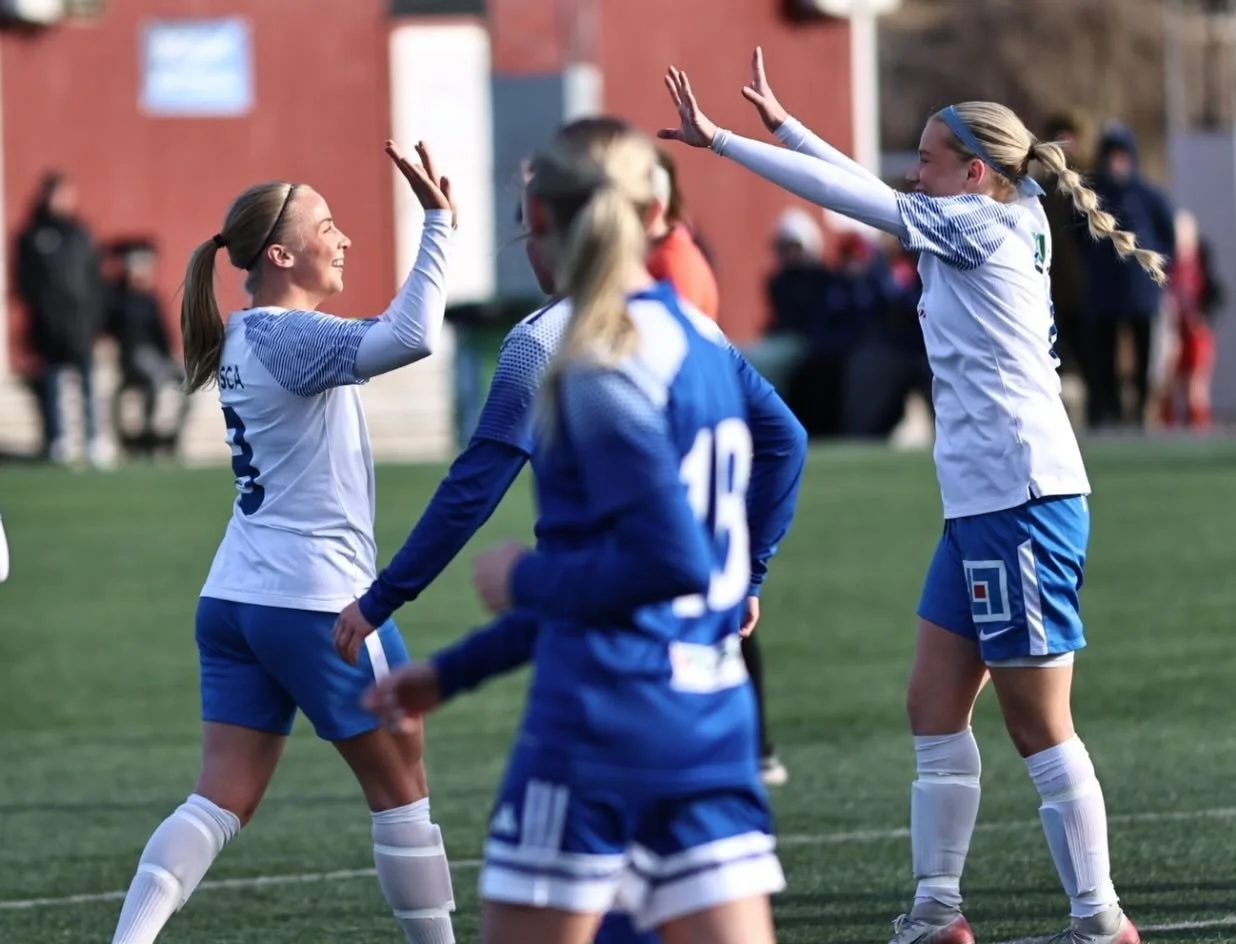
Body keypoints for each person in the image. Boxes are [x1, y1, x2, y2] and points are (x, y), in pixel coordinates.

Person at [659, 46, 1166, 944]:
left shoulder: (980, 226)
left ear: (973, 174)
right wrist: (787, 127)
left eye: (928, 159)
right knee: (933, 706)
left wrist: (725, 143)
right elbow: (866, 190)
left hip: (1020, 501)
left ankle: (1102, 921)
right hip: (980, 504)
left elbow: (858, 201)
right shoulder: (1002, 205)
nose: (911, 172)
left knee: (1038, 725)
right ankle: (937, 911)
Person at [332, 116, 806, 944]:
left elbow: (662, 561)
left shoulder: (579, 353)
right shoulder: (701, 337)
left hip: (601, 717)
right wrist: (453, 672)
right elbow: (779, 448)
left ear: (542, 223)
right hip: (712, 719)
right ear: (655, 213)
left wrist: (522, 578)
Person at [108, 141, 460, 944]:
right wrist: (438, 224)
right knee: (403, 792)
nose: (343, 239)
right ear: (280, 254)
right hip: (317, 602)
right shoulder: (288, 336)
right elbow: (412, 336)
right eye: (326, 226)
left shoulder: (245, 335)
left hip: (234, 598)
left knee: (219, 798)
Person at [15, 170, 108, 466]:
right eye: (58, 194)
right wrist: (43, 314)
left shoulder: (80, 233)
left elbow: (94, 279)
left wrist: (95, 320)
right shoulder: (32, 235)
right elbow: (25, 282)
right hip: (49, 327)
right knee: (53, 384)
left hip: (81, 325)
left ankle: (94, 440)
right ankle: (58, 440)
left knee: (88, 384)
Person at [1159, 209, 1223, 429]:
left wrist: (1202, 315)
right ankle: (1169, 428)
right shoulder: (1166, 261)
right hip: (1172, 328)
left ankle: (1199, 429)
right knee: (1170, 381)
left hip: (1195, 329)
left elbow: (1216, 295)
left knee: (1196, 385)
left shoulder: (1201, 260)